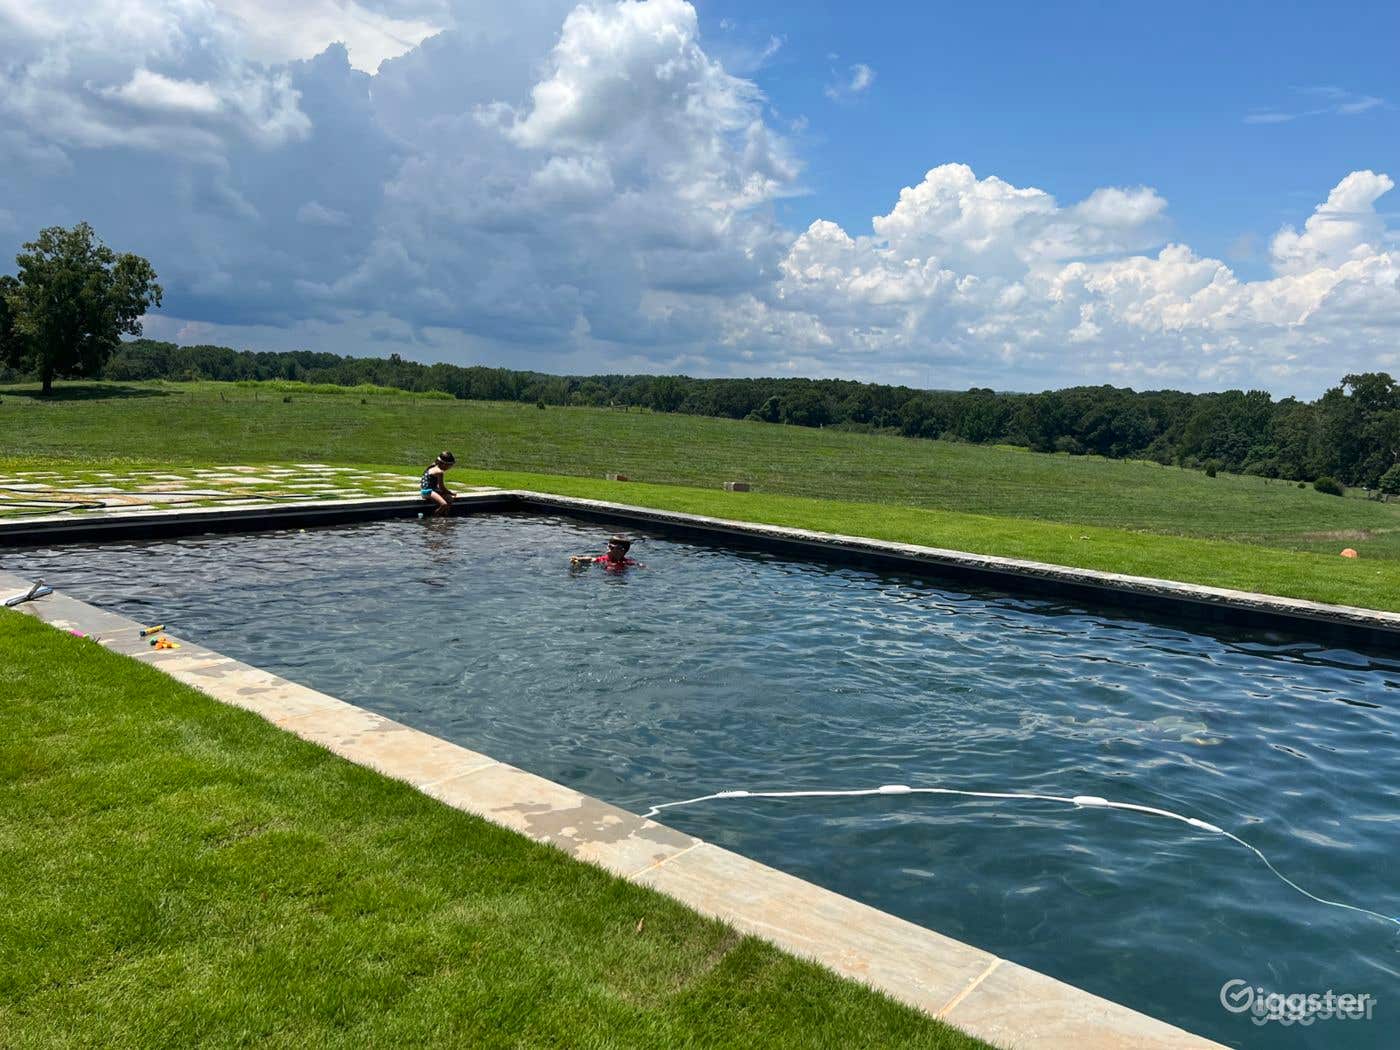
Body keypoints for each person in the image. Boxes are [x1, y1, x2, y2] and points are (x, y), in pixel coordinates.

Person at [571, 534, 642, 571]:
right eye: (609, 546)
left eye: (612, 547)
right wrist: (579, 559)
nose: (609, 548)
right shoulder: (604, 559)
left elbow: (638, 564)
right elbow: (591, 559)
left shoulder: (626, 562)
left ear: (622, 551)